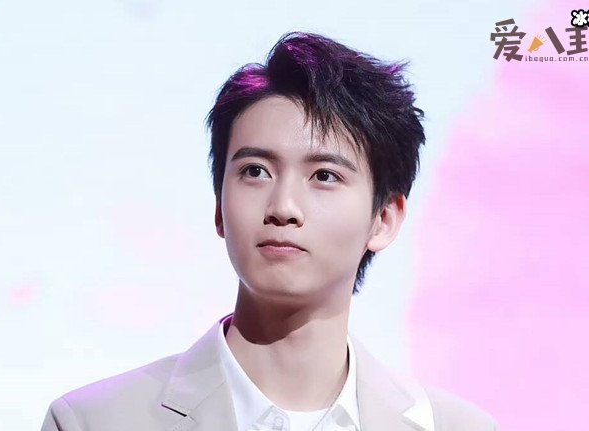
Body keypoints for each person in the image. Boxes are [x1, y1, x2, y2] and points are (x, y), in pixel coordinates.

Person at [40, 31, 498, 431]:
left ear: (385, 219)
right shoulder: (94, 421)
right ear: (219, 207)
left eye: (324, 176)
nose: (283, 208)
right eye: (255, 171)